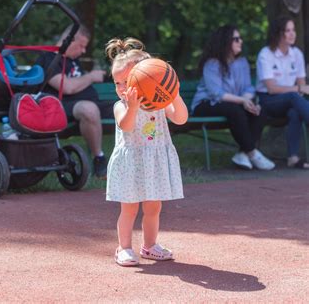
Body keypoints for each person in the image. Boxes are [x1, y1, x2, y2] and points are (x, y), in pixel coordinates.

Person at [105, 37, 188, 266]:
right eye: (117, 83)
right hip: (132, 163)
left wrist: (175, 93)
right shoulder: (121, 106)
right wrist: (132, 107)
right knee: (129, 209)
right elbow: (127, 126)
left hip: (154, 161)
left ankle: (150, 246)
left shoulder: (159, 103)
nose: (121, 89)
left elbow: (181, 118)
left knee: (153, 207)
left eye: (126, 82)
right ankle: (124, 248)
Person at [191, 25, 275, 170]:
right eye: (236, 39)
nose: (240, 41)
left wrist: (247, 101)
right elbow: (216, 93)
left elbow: (248, 88)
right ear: (225, 42)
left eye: (240, 38)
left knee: (260, 111)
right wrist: (243, 101)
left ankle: (242, 154)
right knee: (235, 111)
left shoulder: (242, 63)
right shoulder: (212, 64)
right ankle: (253, 152)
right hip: (205, 105)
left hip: (232, 105)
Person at [36, 24, 114, 179]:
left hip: (92, 103)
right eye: (81, 46)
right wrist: (91, 76)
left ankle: (139, 162)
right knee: (89, 109)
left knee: (131, 108)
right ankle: (99, 159)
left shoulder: (73, 60)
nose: (83, 51)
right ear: (69, 40)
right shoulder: (49, 58)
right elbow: (67, 87)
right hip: (62, 107)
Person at [256, 16, 309, 169]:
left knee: (294, 111)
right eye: (287, 30)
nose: (292, 34)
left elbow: (301, 84)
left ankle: (292, 157)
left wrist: (299, 89)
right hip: (268, 101)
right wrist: (298, 89)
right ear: (278, 33)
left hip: (289, 100)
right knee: (293, 97)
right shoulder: (265, 54)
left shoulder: (297, 54)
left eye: (293, 30)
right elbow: (272, 88)